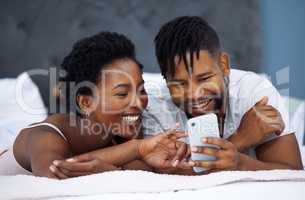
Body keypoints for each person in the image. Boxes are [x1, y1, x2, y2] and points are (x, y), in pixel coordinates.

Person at [0, 32, 190, 179]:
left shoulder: (119, 134)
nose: (139, 103)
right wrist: (136, 148)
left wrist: (167, 165)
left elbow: (142, 174)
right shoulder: (45, 137)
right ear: (86, 102)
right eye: (122, 93)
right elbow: (55, 173)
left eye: (141, 90)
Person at [142, 16, 303, 173]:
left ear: (224, 65)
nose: (194, 94)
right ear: (165, 79)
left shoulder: (254, 93)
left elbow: (294, 173)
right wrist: (241, 139)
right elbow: (164, 174)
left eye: (204, 78)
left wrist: (240, 163)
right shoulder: (155, 107)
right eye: (179, 83)